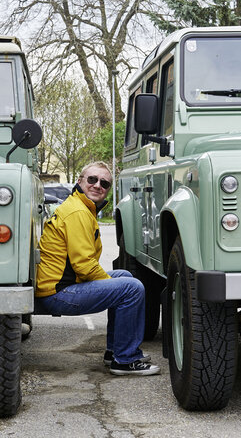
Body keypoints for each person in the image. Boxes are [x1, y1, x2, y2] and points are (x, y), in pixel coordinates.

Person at [35, 161, 159, 376]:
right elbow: (84, 266)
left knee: (124, 276)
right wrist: (114, 285)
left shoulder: (80, 207)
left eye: (105, 183)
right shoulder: (78, 212)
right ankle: (126, 360)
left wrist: (114, 283)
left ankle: (115, 351)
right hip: (57, 293)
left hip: (63, 286)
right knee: (131, 288)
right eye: (92, 179)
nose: (98, 185)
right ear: (80, 181)